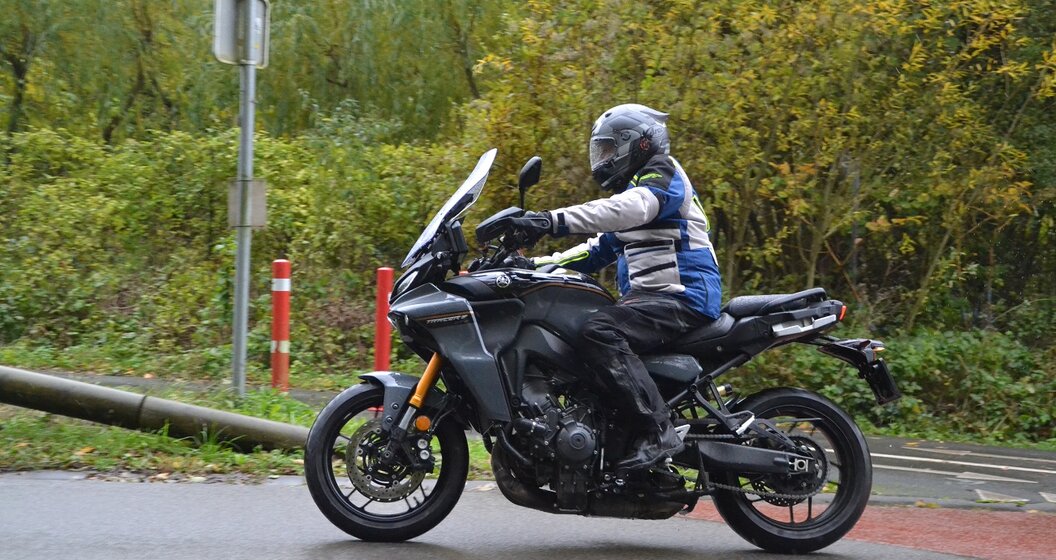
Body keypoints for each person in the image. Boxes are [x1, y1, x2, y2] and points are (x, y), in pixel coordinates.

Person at [507, 103, 724, 475]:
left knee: (598, 331)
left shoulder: (661, 175)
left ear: (638, 143)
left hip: (684, 296)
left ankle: (660, 431)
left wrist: (551, 221)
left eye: (608, 150)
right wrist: (530, 267)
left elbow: (629, 209)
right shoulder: (633, 195)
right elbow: (594, 251)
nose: (603, 159)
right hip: (652, 300)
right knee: (582, 333)